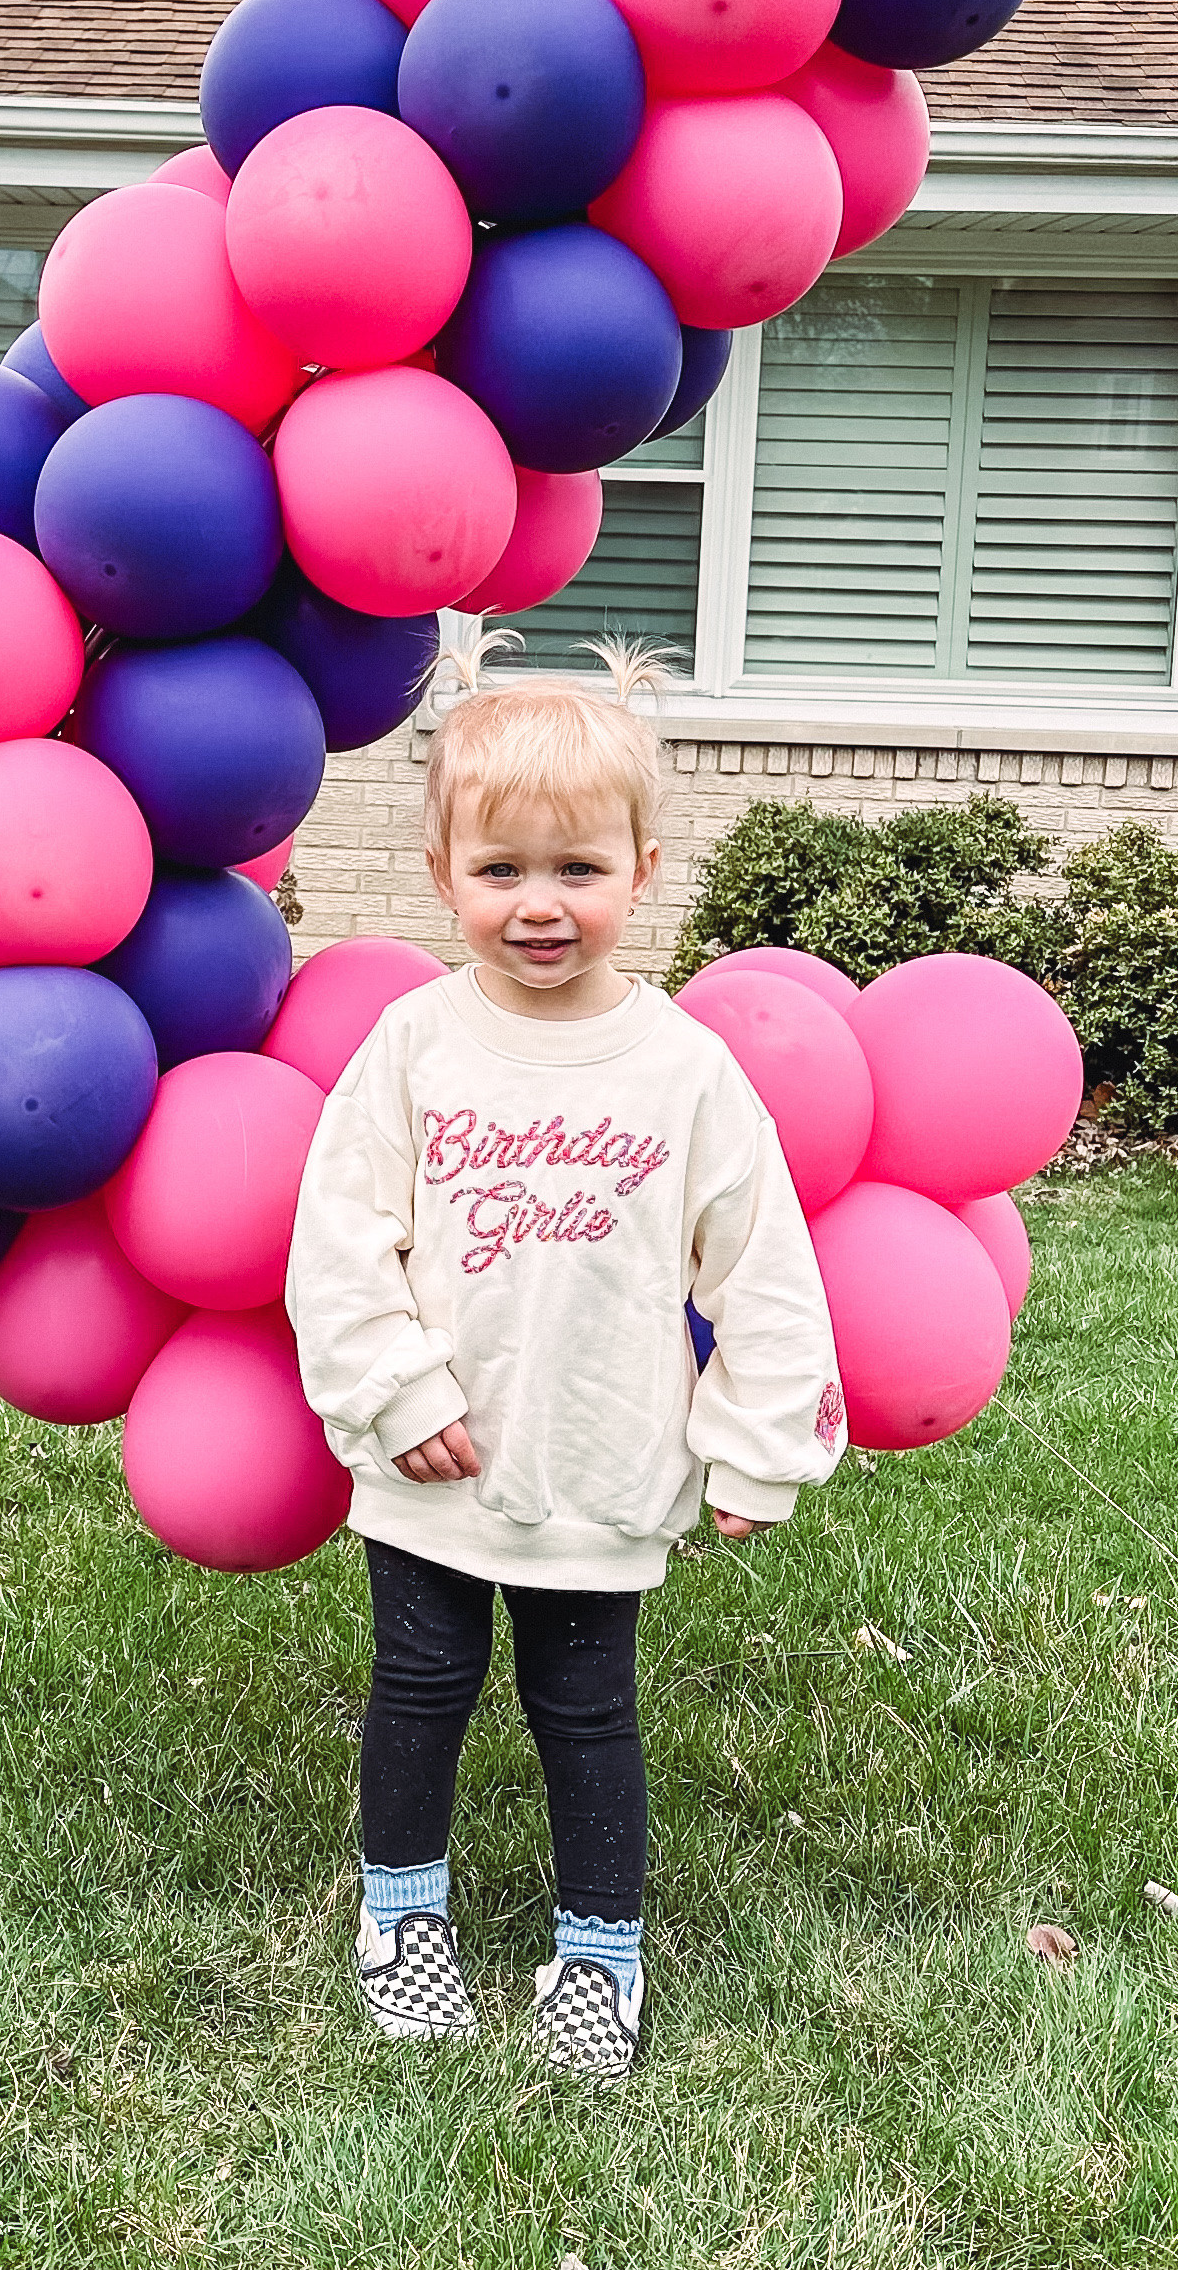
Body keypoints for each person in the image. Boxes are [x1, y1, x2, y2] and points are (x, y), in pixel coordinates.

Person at [284, 647, 845, 2080]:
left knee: (586, 1709)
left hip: (600, 1454)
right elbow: (339, 1238)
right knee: (421, 1685)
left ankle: (600, 1951)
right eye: (502, 869)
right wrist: (397, 1391)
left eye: (579, 868)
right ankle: (401, 1916)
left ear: (644, 871)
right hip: (436, 1460)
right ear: (442, 873)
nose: (540, 904)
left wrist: (759, 1440)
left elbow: (760, 1263)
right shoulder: (415, 1045)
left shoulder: (684, 1069)